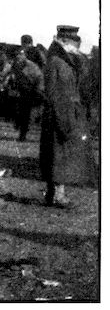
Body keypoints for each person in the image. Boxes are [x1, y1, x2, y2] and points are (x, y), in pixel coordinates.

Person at [40, 25, 93, 208]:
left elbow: (83, 80)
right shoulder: (55, 62)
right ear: (63, 42)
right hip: (58, 113)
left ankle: (54, 194)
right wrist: (61, 117)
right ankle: (57, 195)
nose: (76, 47)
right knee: (57, 155)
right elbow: (52, 93)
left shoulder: (68, 62)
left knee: (60, 154)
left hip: (68, 112)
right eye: (73, 43)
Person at [4, 44, 44, 141]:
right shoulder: (15, 64)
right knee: (18, 112)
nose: (19, 56)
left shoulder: (31, 65)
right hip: (19, 91)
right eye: (17, 54)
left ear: (25, 55)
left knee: (25, 113)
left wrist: (39, 91)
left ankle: (23, 134)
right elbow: (10, 74)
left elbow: (39, 78)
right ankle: (19, 127)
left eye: (21, 54)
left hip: (29, 91)